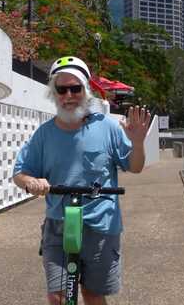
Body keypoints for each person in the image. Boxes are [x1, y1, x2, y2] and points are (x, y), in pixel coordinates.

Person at [13, 56, 151, 305]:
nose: (68, 95)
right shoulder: (44, 134)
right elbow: (21, 172)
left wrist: (138, 143)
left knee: (93, 294)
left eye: (75, 88)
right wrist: (31, 182)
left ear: (85, 90)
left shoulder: (108, 127)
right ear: (53, 93)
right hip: (58, 224)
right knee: (58, 296)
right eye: (61, 89)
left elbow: (135, 166)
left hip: (101, 225)